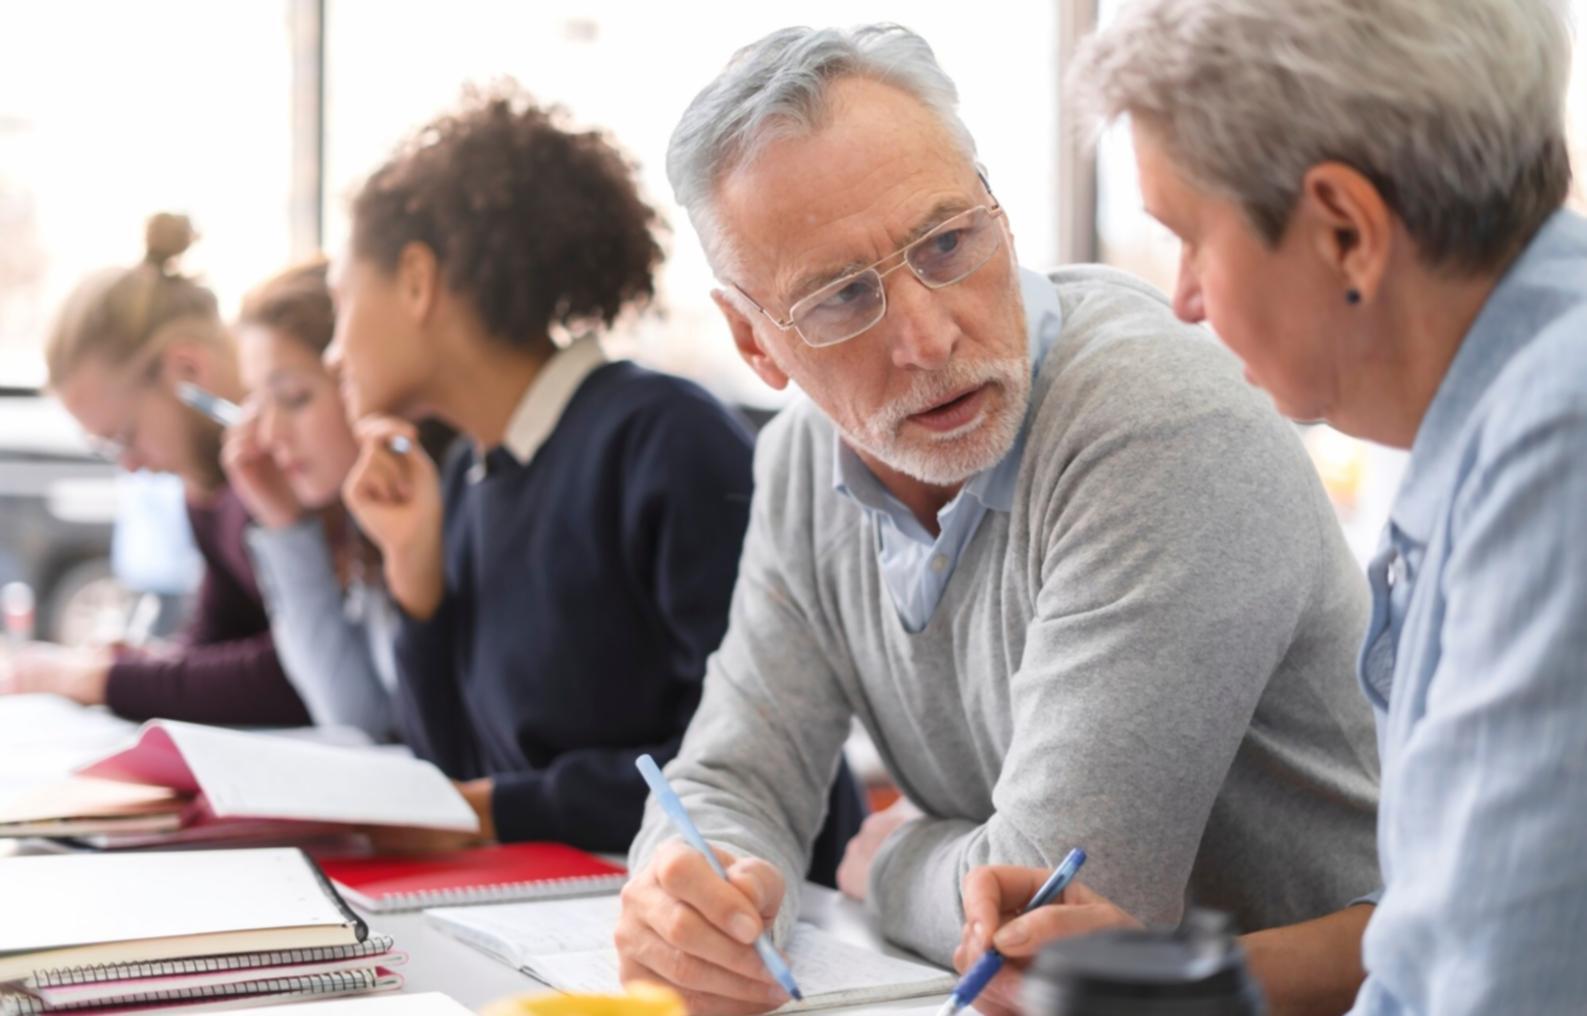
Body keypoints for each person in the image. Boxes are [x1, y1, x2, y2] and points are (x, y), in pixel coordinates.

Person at [615, 24, 1379, 1015]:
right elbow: (729, 776)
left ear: (1002, 218)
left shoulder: (1155, 420)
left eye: (947, 242)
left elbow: (1066, 906)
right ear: (754, 344)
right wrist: (691, 884)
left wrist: (888, 859)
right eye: (843, 297)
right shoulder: (802, 461)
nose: (928, 334)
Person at [958, 2, 1587, 1015]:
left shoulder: (1560, 449)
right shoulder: (1487, 401)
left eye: (1190, 238)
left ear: (1346, 232)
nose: (1185, 301)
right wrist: (1183, 978)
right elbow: (1462, 915)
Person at [326, 86, 865, 867]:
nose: (335, 352)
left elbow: (765, 754)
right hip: (572, 911)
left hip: (760, 923)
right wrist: (418, 587)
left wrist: (501, 806)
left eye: (341, 303)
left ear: (416, 281)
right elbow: (456, 778)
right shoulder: (465, 479)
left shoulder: (661, 439)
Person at [0, 214, 308, 726]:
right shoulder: (208, 492)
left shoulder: (295, 470)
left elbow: (298, 674)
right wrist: (149, 664)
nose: (133, 466)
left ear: (187, 371)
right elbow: (218, 639)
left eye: (126, 436)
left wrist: (95, 680)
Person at [223, 259, 443, 741]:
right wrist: (283, 525)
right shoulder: (360, 522)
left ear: (356, 373)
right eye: (258, 404)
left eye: (296, 397)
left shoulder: (441, 507)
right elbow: (356, 715)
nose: (269, 434)